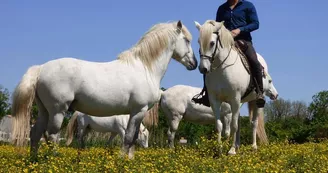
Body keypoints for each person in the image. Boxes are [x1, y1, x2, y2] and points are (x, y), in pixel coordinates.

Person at [192, 0, 266, 108]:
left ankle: (259, 92)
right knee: (208, 61)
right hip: (224, 42)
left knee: (254, 60)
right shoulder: (221, 8)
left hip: (243, 41)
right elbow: (216, 27)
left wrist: (240, 30)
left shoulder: (248, 5)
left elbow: (255, 24)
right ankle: (207, 93)